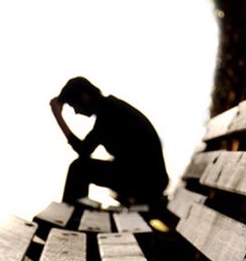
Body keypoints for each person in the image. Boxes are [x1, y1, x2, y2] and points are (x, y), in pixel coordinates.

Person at [50, 77, 169, 207]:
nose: (76, 112)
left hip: (148, 182)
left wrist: (58, 117)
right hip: (149, 179)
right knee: (81, 168)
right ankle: (73, 212)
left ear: (85, 97)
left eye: (74, 106)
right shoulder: (109, 108)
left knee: (79, 169)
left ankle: (67, 216)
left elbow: (84, 151)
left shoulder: (108, 113)